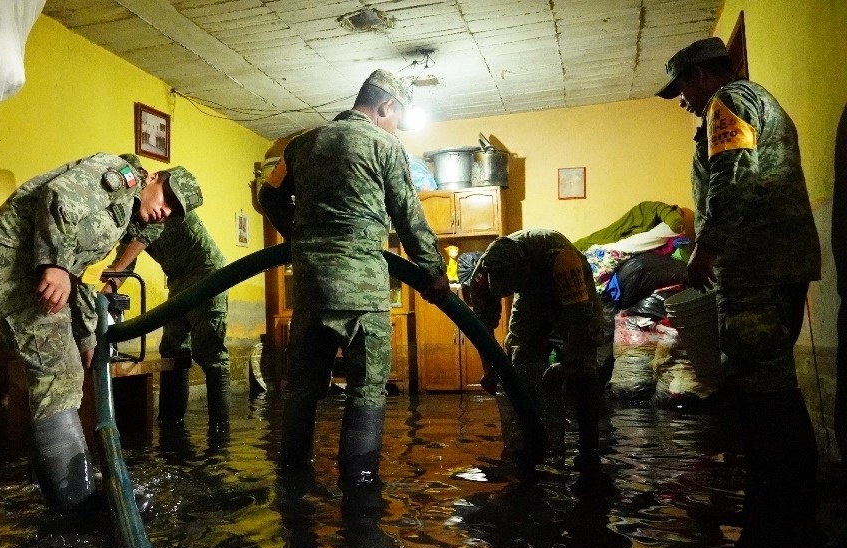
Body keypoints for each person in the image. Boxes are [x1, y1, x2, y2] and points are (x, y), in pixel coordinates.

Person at [657, 37, 823, 548]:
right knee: (766, 374)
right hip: (774, 261)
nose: (682, 99)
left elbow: (732, 175)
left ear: (703, 75)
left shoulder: (731, 102)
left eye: (682, 86)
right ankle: (789, 505)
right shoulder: (755, 101)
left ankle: (782, 514)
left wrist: (708, 247)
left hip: (757, 264)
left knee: (760, 377)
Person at [258, 69, 450, 486]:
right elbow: (408, 215)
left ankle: (292, 480)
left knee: (302, 391)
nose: (395, 125)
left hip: (310, 287)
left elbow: (268, 197)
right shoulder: (385, 144)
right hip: (362, 291)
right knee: (366, 390)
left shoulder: (301, 143)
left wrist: (300, 237)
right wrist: (433, 272)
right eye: (396, 117)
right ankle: (360, 485)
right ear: (386, 107)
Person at [0, 152, 178, 514]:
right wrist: (55, 264)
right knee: (58, 374)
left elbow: (78, 276)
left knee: (63, 370)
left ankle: (50, 483)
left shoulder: (123, 213)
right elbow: (59, 197)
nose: (166, 210)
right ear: (153, 177)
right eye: (168, 198)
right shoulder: (121, 175)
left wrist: (86, 339)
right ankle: (75, 503)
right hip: (13, 259)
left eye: (175, 211)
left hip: (26, 265)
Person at [465, 229, 606, 491]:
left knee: (585, 364)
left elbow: (580, 321)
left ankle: (589, 450)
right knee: (519, 354)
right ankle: (528, 441)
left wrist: (567, 365)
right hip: (530, 297)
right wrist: (491, 370)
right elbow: (481, 328)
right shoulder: (483, 274)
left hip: (571, 295)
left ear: (526, 267)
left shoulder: (561, 258)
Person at [100, 164, 231, 431]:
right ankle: (172, 422)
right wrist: (104, 296)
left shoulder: (164, 209)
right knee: (172, 349)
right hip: (177, 278)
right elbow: (129, 259)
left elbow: (146, 237)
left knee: (210, 352)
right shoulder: (134, 211)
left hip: (207, 274)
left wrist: (115, 272)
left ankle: (221, 428)